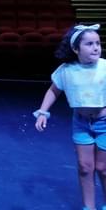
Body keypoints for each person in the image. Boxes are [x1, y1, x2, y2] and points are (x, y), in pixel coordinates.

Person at [34, 24, 105, 210]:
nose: (96, 47)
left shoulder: (104, 67)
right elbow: (53, 90)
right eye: (89, 44)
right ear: (76, 49)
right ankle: (89, 207)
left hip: (104, 123)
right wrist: (43, 112)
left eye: (98, 43)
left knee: (103, 168)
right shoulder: (66, 70)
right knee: (84, 167)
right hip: (81, 123)